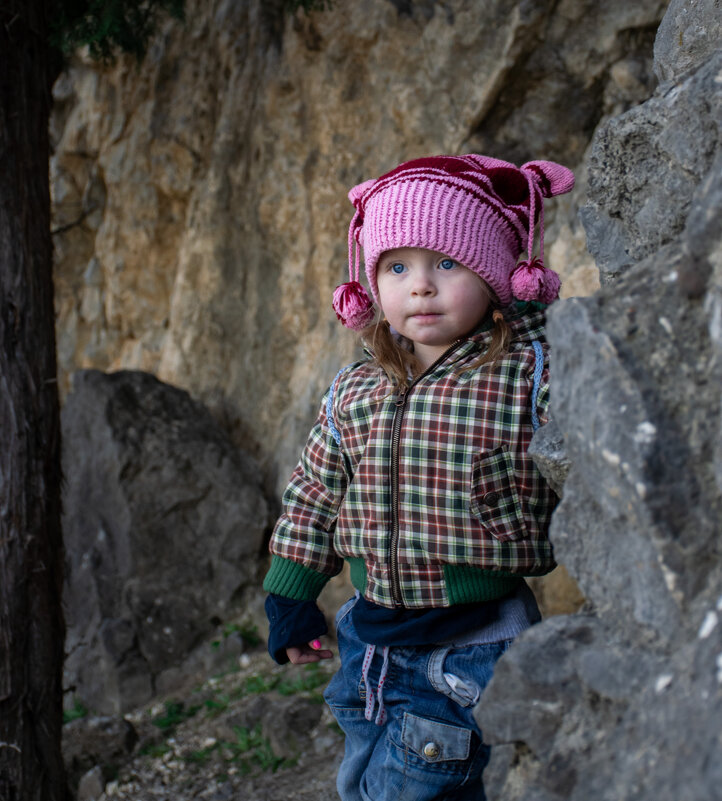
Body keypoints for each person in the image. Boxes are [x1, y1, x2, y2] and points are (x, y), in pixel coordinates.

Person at [263, 154, 574, 801]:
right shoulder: (356, 387)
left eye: (448, 263)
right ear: (371, 282)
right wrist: (290, 597)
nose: (421, 285)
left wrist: (533, 316)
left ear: (497, 275)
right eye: (398, 266)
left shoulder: (526, 377)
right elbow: (317, 492)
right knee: (361, 776)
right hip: (367, 638)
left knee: (422, 784)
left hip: (475, 644)